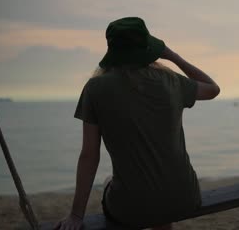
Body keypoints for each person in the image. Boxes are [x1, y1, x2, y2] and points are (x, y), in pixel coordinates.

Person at [54, 17, 220, 230]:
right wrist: (172, 56)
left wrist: (76, 215)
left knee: (109, 183)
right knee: (158, 201)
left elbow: (89, 155)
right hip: (185, 198)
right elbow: (212, 88)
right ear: (148, 50)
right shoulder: (171, 81)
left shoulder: (95, 89)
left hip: (132, 208)